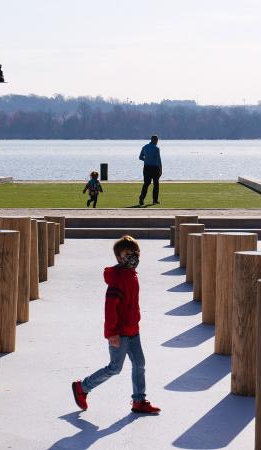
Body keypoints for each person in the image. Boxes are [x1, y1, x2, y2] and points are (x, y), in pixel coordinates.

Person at [72, 236, 161, 415]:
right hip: (119, 332)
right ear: (119, 258)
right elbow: (110, 308)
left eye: (135, 253)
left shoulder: (132, 274)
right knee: (115, 368)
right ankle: (82, 387)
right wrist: (111, 333)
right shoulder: (118, 278)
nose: (133, 256)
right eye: (127, 254)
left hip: (133, 330)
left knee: (139, 364)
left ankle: (139, 401)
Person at [138, 136, 162, 205]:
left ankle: (142, 197)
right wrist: (161, 169)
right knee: (156, 184)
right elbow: (159, 160)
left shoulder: (145, 147)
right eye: (157, 140)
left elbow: (140, 157)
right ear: (155, 140)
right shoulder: (156, 148)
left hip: (146, 168)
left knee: (146, 183)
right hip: (155, 168)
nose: (157, 142)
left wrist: (146, 159)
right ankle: (155, 200)